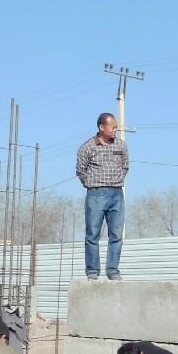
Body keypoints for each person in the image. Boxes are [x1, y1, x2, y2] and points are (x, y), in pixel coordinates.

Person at [76, 112, 129, 281]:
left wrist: (117, 180)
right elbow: (80, 170)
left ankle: (113, 270)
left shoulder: (121, 145)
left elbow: (125, 166)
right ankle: (92, 271)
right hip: (96, 194)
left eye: (115, 127)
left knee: (116, 234)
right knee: (92, 234)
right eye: (112, 127)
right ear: (101, 127)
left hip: (116, 194)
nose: (115, 130)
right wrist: (92, 183)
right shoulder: (88, 147)